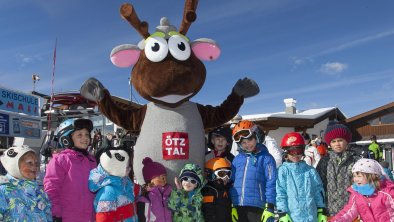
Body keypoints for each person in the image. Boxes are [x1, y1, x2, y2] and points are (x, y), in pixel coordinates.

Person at [44, 118, 97, 222]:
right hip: (69, 217)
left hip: (91, 217)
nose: (85, 138)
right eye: (79, 135)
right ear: (66, 138)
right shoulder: (60, 160)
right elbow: (52, 188)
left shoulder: (92, 160)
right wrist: (56, 214)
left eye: (87, 134)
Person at [230, 120, 277, 222]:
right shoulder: (237, 160)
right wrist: (232, 204)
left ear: (257, 136)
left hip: (257, 206)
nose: (247, 144)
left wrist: (270, 206)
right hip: (239, 206)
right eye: (243, 142)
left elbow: (271, 183)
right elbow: (232, 183)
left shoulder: (266, 158)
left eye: (250, 140)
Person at [276, 132, 327, 222]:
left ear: (303, 151)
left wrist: (321, 209)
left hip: (311, 217)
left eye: (298, 151)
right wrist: (282, 212)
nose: (295, 155)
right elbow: (280, 193)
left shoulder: (310, 171)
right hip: (292, 217)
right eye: (292, 151)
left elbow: (318, 191)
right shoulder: (283, 171)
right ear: (286, 152)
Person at [316, 121, 360, 217]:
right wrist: (321, 208)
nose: (337, 144)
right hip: (329, 210)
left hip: (351, 211)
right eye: (333, 141)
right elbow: (319, 186)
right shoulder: (324, 161)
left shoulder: (356, 160)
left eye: (340, 140)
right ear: (329, 144)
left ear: (346, 141)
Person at [0, 145, 52, 221]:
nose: (34, 166)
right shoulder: (3, 190)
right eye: (29, 163)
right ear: (14, 165)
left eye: (36, 163)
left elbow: (47, 214)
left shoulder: (38, 191)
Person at [89, 146, 139, 222]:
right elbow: (104, 217)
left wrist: (146, 189)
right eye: (127, 167)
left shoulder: (124, 181)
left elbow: (133, 189)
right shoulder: (108, 191)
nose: (129, 169)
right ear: (116, 169)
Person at [137, 157, 172, 222]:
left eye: (164, 176)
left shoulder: (168, 193)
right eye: (160, 177)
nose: (164, 179)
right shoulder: (145, 198)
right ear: (150, 180)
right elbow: (143, 219)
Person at [202, 157, 232, 222]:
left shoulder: (225, 188)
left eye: (228, 174)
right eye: (222, 174)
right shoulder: (209, 190)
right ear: (211, 174)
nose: (226, 177)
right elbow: (208, 210)